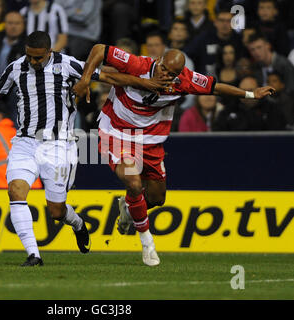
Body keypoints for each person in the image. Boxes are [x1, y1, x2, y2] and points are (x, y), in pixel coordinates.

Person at [0, 31, 165, 266]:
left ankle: (78, 224)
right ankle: (34, 255)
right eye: (29, 57)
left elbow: (109, 77)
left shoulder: (68, 64)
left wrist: (147, 83)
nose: (33, 62)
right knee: (15, 191)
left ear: (49, 52)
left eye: (38, 58)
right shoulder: (15, 68)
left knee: (56, 211)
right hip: (24, 142)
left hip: (58, 145)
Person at [73, 44, 275, 266]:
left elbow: (216, 87)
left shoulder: (185, 81)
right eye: (164, 69)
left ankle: (129, 209)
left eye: (172, 74)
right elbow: (99, 49)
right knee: (132, 180)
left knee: (157, 199)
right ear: (158, 60)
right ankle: (147, 243)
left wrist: (250, 93)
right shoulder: (137, 64)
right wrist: (84, 80)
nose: (166, 75)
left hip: (151, 142)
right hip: (119, 133)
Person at [247, 33, 294, 98]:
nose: (256, 52)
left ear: (268, 46)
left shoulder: (284, 64)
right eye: (252, 50)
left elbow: (291, 90)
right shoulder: (256, 67)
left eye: (259, 47)